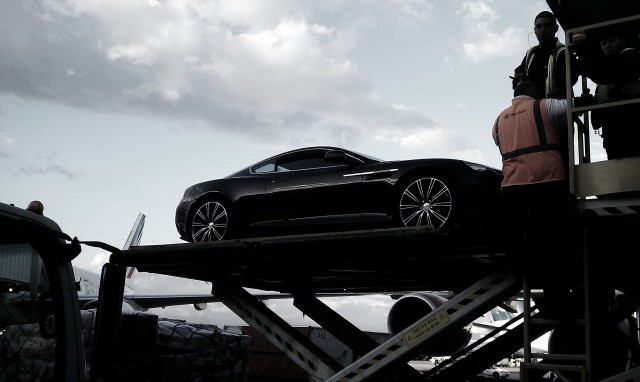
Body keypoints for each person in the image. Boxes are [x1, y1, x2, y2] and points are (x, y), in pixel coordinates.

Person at [492, 80, 574, 315]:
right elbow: (573, 107)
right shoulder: (544, 106)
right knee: (551, 239)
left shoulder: (498, 120)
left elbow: (499, 142)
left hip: (513, 185)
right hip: (548, 181)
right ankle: (558, 301)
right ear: (534, 92)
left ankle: (529, 273)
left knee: (511, 235)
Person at [579, 27, 640, 159]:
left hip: (633, 128)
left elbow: (616, 72)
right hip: (612, 132)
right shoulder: (604, 75)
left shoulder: (631, 56)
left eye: (612, 41)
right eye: (604, 43)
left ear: (623, 40)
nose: (608, 46)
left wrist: (591, 72)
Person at [512, 11, 579, 99]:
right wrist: (519, 80)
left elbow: (571, 79)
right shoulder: (530, 54)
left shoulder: (564, 52)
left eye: (547, 26)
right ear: (534, 30)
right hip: (534, 109)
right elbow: (517, 84)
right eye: (539, 26)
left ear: (556, 28)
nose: (542, 30)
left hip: (558, 108)